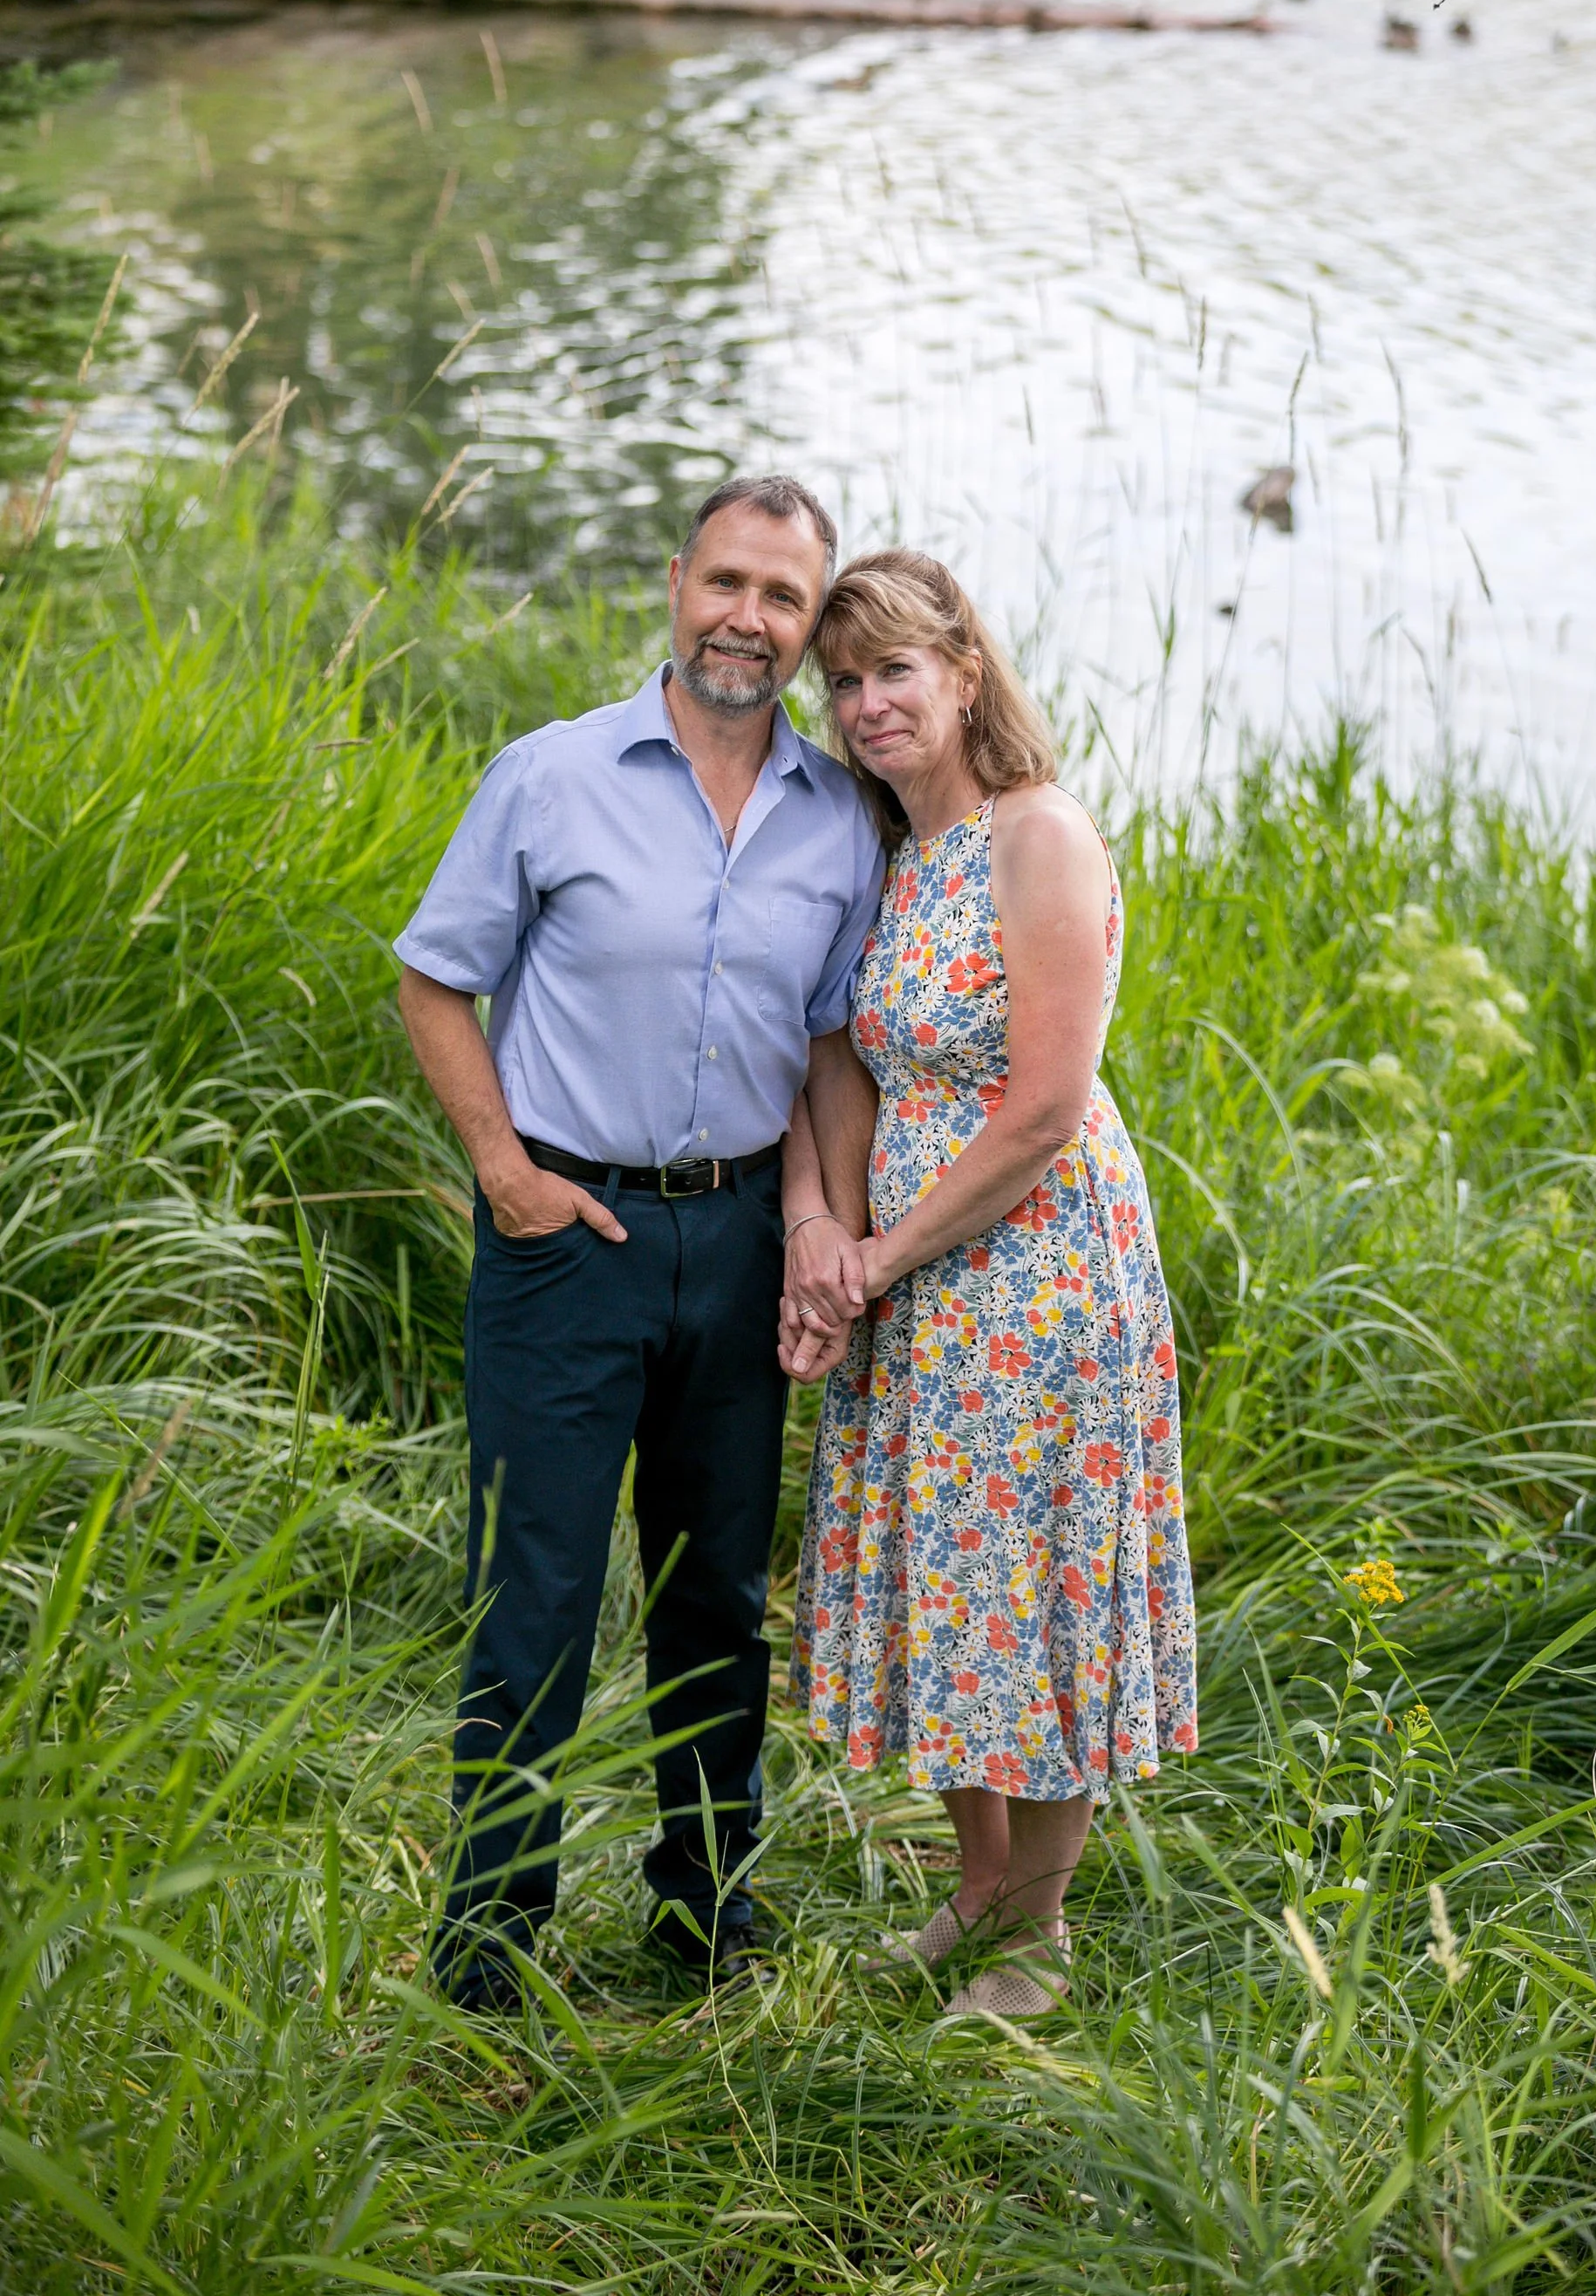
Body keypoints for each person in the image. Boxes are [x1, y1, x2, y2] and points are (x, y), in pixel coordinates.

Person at [394, 474, 883, 2010]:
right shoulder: (550, 779)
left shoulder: (838, 820)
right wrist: (505, 1175)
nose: (750, 617)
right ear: (675, 582)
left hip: (737, 1239)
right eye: (728, 581)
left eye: (783, 598)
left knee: (717, 1595)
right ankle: (485, 1952)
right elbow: (433, 983)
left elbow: (825, 1050)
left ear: (807, 629)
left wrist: (820, 1232)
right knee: (531, 1596)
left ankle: (705, 1918)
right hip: (566, 1234)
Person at [779, 549, 1197, 2019]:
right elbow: (838, 1060)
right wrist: (827, 1234)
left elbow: (1043, 1105)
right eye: (843, 682)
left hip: (1037, 1274)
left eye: (897, 671)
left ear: (966, 673)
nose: (868, 705)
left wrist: (879, 1254)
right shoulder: (885, 859)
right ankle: (973, 1890)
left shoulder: (1042, 837)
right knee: (955, 1581)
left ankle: (1040, 1936)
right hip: (917, 1281)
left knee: (1046, 1579)